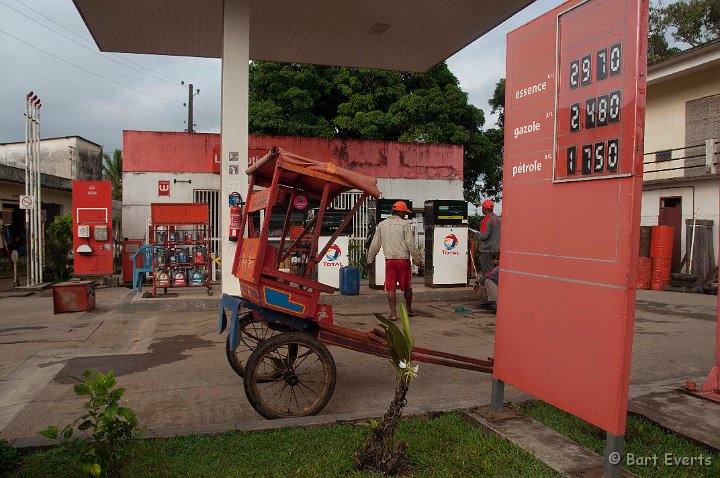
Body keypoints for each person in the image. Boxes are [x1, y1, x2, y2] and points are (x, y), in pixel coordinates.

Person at [367, 201, 423, 321]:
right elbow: (410, 244)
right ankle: (409, 310)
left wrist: (369, 260)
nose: (405, 215)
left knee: (391, 288)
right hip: (403, 260)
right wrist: (418, 260)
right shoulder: (404, 224)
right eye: (404, 213)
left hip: (390, 260)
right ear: (400, 212)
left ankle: (393, 314)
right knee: (407, 287)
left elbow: (375, 244)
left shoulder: (382, 224)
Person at [476, 199, 500, 275]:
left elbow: (483, 236)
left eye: (482, 207)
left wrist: (477, 234)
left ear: (485, 209)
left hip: (487, 251)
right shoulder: (498, 219)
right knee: (493, 272)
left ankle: (487, 286)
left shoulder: (486, 220)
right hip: (496, 250)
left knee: (487, 273)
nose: (482, 209)